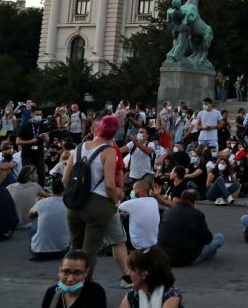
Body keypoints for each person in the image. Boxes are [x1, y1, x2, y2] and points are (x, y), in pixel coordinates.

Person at [62, 115, 122, 276]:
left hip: (74, 205)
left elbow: (65, 179)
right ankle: (84, 287)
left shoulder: (79, 148)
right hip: (98, 204)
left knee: (75, 248)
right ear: (114, 133)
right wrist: (116, 201)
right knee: (89, 252)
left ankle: (67, 281)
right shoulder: (109, 151)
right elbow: (110, 184)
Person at [157, 189, 224, 266]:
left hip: (164, 256)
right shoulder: (197, 215)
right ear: (194, 201)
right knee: (219, 237)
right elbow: (208, 238)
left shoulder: (168, 211)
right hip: (184, 258)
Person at [41, 250, 108, 308]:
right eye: (66, 272)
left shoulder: (96, 293)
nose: (70, 279)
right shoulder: (51, 293)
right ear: (60, 271)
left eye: (77, 273)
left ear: (86, 272)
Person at [30, 178, 71, 260]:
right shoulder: (69, 204)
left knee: (35, 218)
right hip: (62, 251)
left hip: (38, 252)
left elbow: (30, 214)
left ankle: (39, 242)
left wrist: (37, 203)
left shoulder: (42, 202)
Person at [117, 180, 160, 251]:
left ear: (140, 191)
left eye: (134, 189)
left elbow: (117, 207)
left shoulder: (131, 203)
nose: (132, 191)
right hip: (153, 243)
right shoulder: (154, 201)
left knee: (118, 217)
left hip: (136, 244)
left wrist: (121, 195)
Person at [8, 163, 45, 228]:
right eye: (35, 173)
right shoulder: (36, 187)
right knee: (41, 198)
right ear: (30, 176)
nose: (37, 175)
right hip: (29, 223)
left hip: (12, 224)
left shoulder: (10, 187)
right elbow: (50, 197)